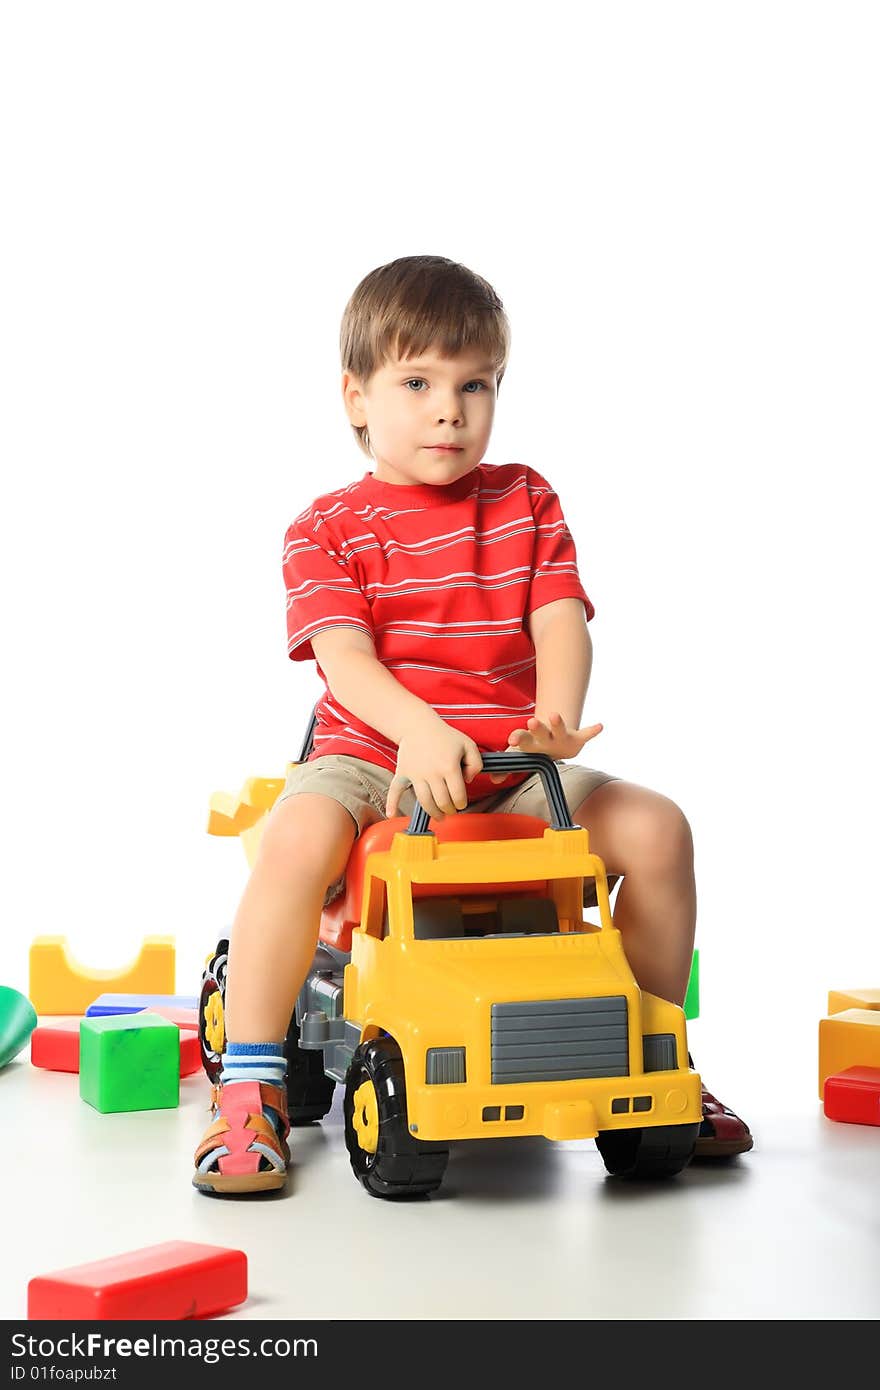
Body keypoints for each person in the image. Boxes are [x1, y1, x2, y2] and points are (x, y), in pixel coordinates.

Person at [192, 254, 753, 1195]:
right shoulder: (326, 527)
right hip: (373, 757)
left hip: (510, 762)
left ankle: (661, 1059)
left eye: (474, 384)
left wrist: (557, 716)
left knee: (659, 831)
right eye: (416, 383)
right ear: (356, 398)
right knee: (293, 843)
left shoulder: (525, 500)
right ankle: (250, 1085)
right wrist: (415, 729)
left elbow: (559, 621)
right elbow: (346, 659)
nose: (449, 409)